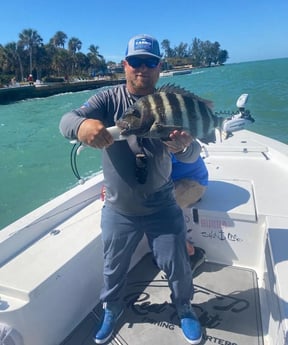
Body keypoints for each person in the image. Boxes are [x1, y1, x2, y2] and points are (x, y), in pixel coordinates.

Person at [59, 34, 202, 345]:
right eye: (135, 62)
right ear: (124, 65)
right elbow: (67, 120)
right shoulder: (108, 100)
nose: (142, 68)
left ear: (159, 67)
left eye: (150, 62)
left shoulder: (170, 103)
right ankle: (112, 307)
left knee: (177, 265)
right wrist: (82, 127)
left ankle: (185, 307)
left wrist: (183, 148)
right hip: (118, 209)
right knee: (113, 268)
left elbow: (193, 153)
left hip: (162, 206)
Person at [171, 154, 208, 273]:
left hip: (193, 182)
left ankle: (191, 253)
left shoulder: (163, 142)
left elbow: (159, 162)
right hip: (172, 180)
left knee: (162, 210)